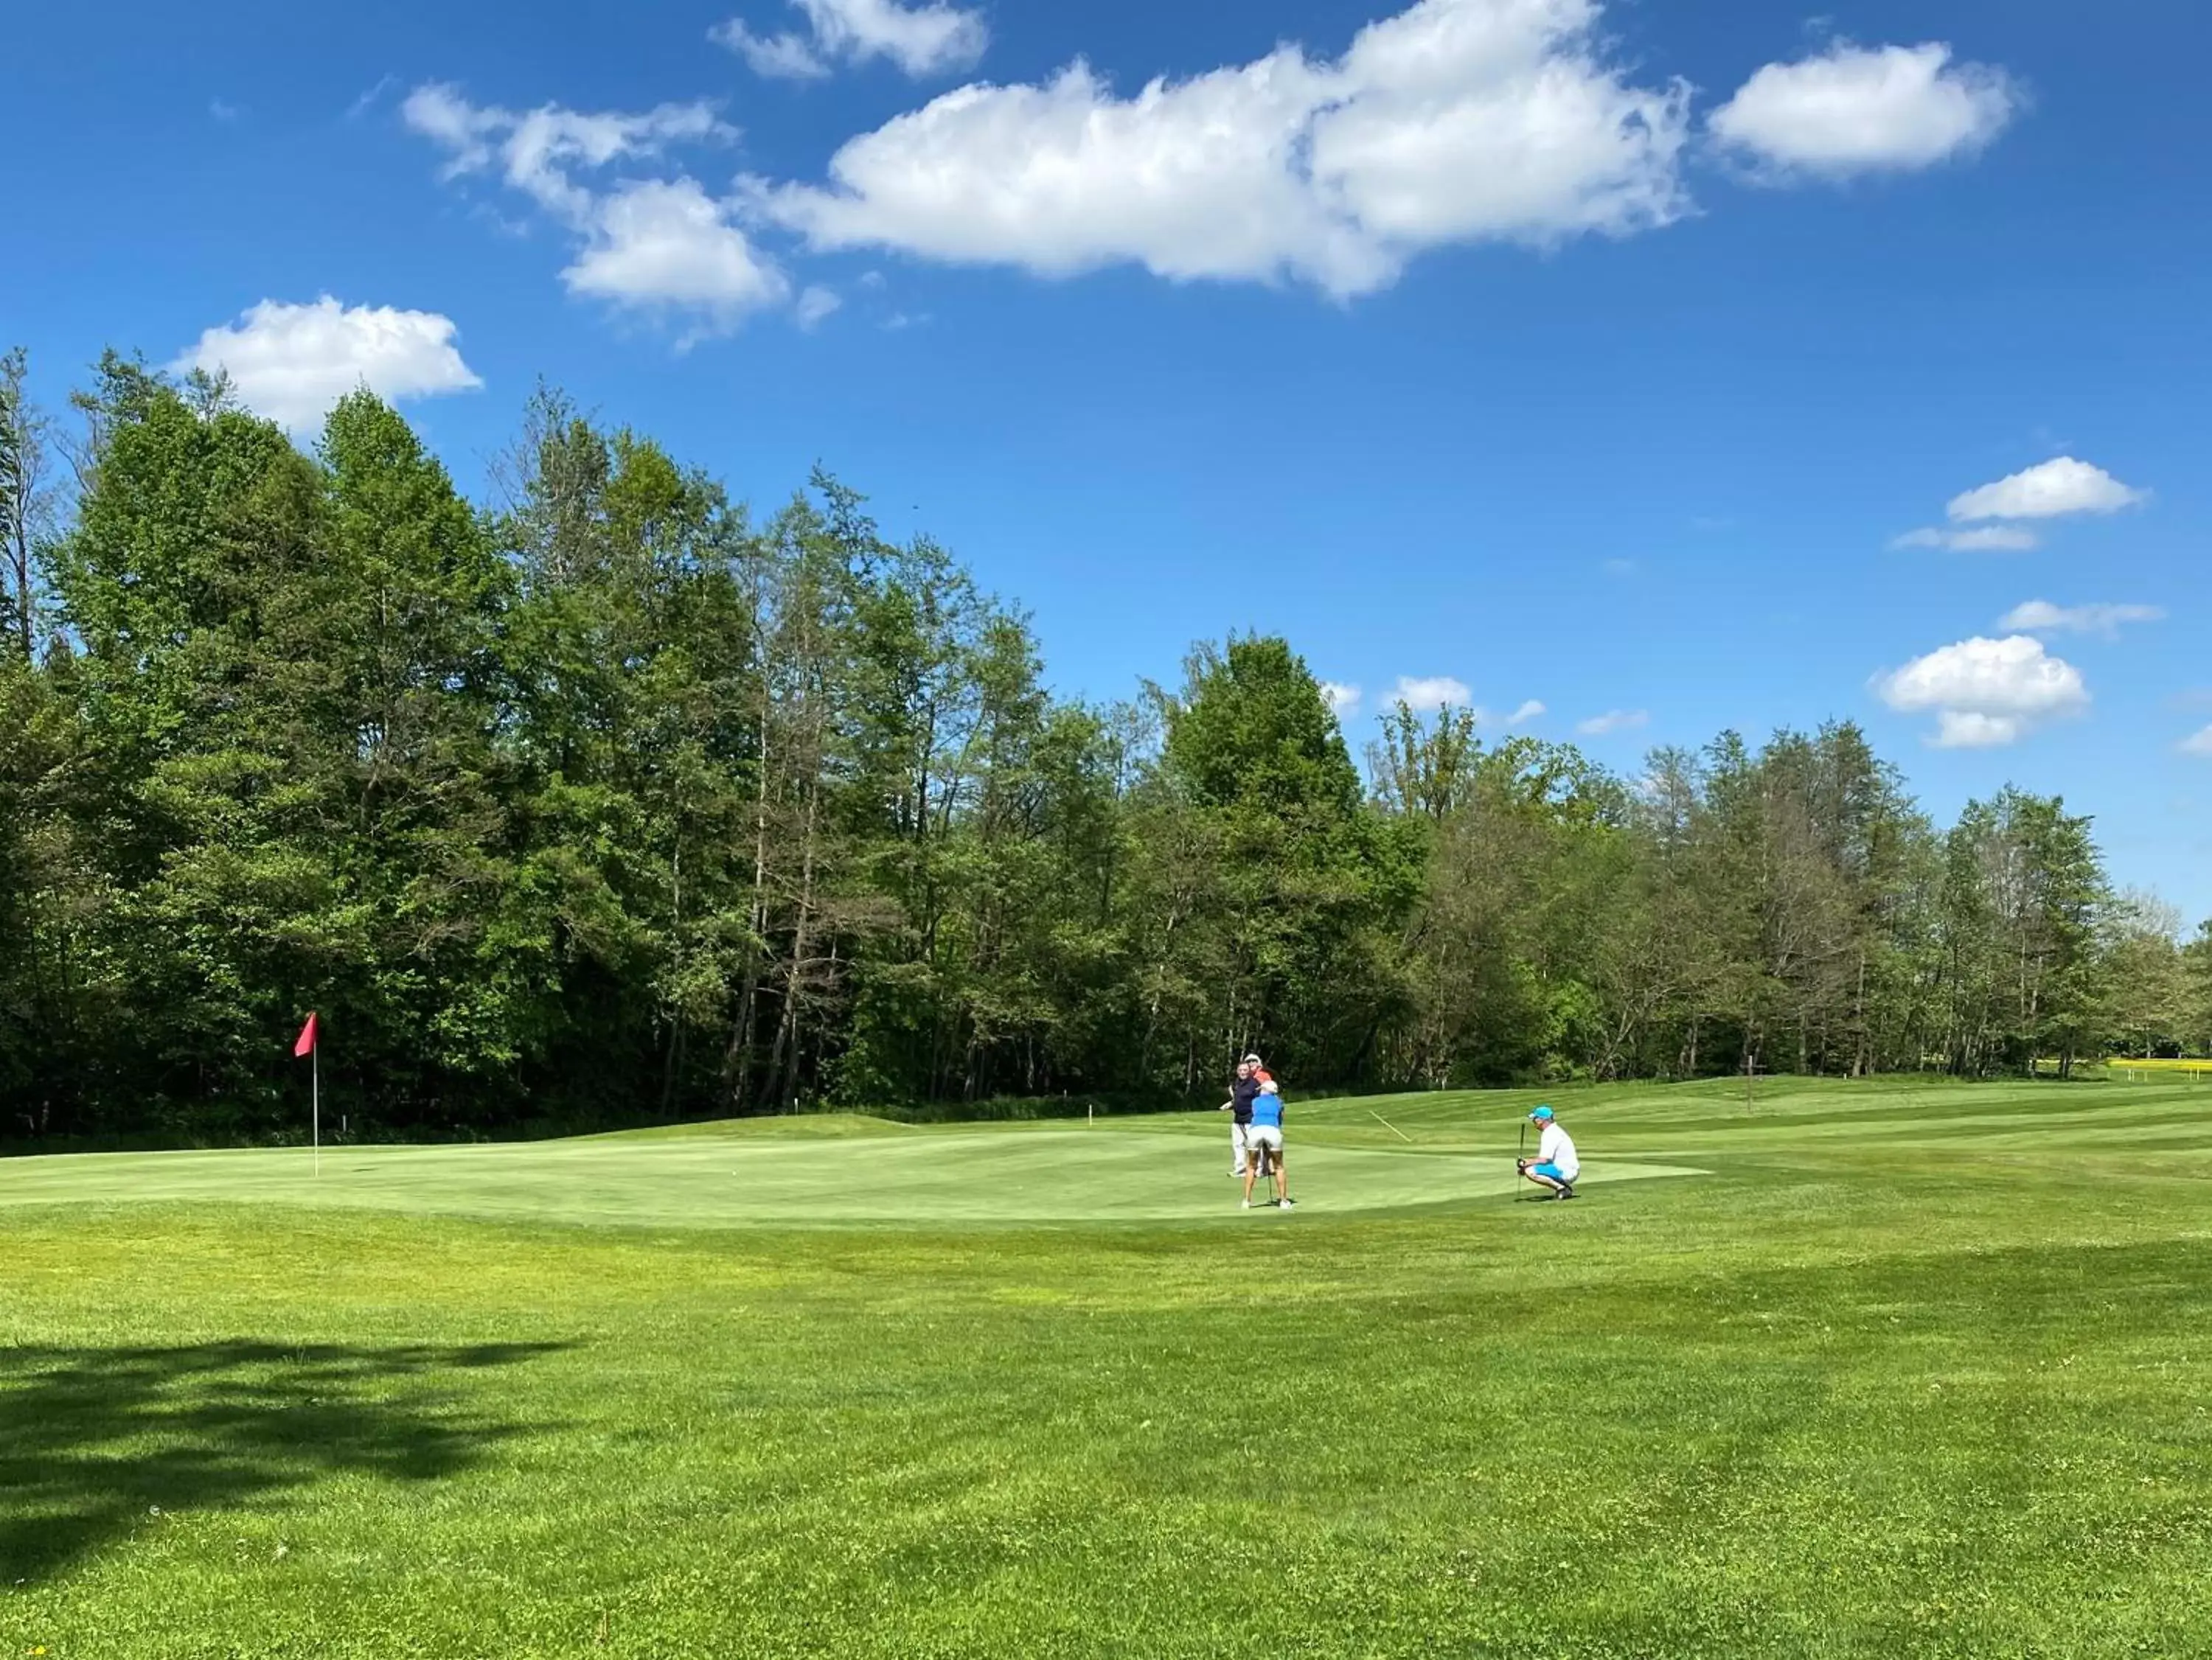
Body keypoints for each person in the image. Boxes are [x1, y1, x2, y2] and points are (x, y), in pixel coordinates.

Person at [1242, 1075, 1293, 1210]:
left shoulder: (1255, 1101)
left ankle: (1246, 1201)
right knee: (1279, 1167)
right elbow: (1280, 1120)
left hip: (1255, 1130)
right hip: (1273, 1131)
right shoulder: (1279, 1102)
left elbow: (1255, 1115)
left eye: (1262, 1089)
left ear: (1265, 1090)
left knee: (1251, 1166)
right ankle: (1283, 1201)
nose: (1260, 1091)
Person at [1517, 1104, 1579, 1200]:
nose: (1534, 1122)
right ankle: (1563, 1187)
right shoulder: (1553, 1131)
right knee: (1529, 1168)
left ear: (1542, 1120)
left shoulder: (1550, 1133)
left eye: (1535, 1119)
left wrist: (1525, 1163)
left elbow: (1545, 1160)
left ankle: (1562, 1189)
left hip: (1565, 1171)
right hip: (1565, 1169)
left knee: (1530, 1171)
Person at [1221, 1059, 1259, 1176]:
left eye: (1245, 1070)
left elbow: (1259, 1100)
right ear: (1237, 1071)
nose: (1243, 1072)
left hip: (1250, 1118)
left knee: (1253, 1145)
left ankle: (1257, 1169)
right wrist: (1230, 1104)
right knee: (1238, 1145)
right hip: (1238, 1119)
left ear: (1249, 1071)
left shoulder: (1254, 1084)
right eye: (1241, 1070)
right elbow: (1236, 1097)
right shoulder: (1236, 1083)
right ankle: (1240, 1169)